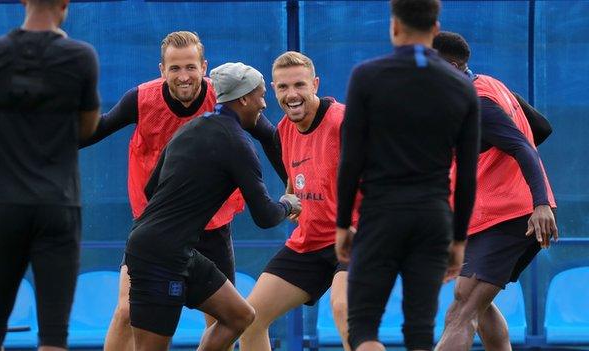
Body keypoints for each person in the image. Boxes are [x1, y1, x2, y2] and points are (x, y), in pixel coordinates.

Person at [79, 31, 279, 351]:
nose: (183, 76)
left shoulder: (228, 101)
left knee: (225, 318)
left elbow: (270, 137)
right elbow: (95, 130)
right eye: (175, 68)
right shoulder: (141, 99)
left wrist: (299, 182)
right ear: (162, 70)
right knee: (126, 312)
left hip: (212, 228)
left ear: (204, 67)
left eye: (190, 67)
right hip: (159, 229)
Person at [124, 62, 301, 351]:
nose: (264, 103)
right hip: (158, 256)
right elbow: (266, 216)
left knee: (240, 315)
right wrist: (288, 203)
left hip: (178, 250)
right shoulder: (238, 143)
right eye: (259, 95)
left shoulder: (190, 128)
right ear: (243, 98)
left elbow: (150, 189)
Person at [335, 1, 481, 350]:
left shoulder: (366, 77)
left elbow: (350, 160)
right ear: (435, 29)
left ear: (394, 27)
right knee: (419, 331)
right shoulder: (463, 89)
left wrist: (342, 223)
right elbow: (468, 176)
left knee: (363, 327)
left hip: (381, 215)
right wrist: (459, 239)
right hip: (432, 219)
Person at [0, 0, 100, 349]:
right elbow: (87, 128)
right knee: (54, 332)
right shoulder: (81, 57)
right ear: (64, 3)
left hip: (3, 206)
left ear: (23, 1)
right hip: (59, 207)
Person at [432, 31, 557, 351]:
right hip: (497, 214)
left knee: (461, 312)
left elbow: (522, 146)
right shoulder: (491, 85)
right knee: (477, 305)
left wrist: (539, 203)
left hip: (512, 217)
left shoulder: (476, 104)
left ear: (452, 66)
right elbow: (541, 128)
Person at [239, 51, 358, 351]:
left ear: (315, 84)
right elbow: (297, 175)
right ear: (273, 89)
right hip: (311, 242)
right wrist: (292, 196)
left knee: (344, 310)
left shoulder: (346, 122)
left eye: (299, 85)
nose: (292, 94)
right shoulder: (284, 130)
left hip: (358, 237)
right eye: (283, 87)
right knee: (249, 319)